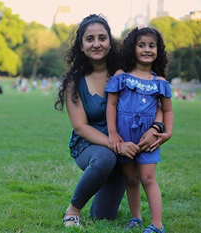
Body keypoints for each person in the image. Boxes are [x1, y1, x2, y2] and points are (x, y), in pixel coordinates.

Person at [54, 14, 163, 228]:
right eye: (90, 39)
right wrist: (116, 145)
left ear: (110, 42)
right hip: (90, 145)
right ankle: (72, 210)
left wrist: (156, 127)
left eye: (102, 38)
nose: (96, 44)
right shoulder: (74, 82)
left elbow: (157, 101)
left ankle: (100, 184)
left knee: (103, 216)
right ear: (81, 45)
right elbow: (80, 126)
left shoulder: (126, 74)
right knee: (105, 158)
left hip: (123, 149)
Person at [105, 26, 173, 233]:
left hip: (149, 138)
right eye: (141, 45)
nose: (147, 50)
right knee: (131, 179)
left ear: (158, 51)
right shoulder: (121, 76)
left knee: (148, 178)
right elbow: (111, 105)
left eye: (152, 46)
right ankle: (136, 218)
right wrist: (113, 133)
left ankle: (157, 225)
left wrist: (167, 132)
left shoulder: (160, 82)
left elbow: (167, 111)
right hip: (124, 135)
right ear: (131, 49)